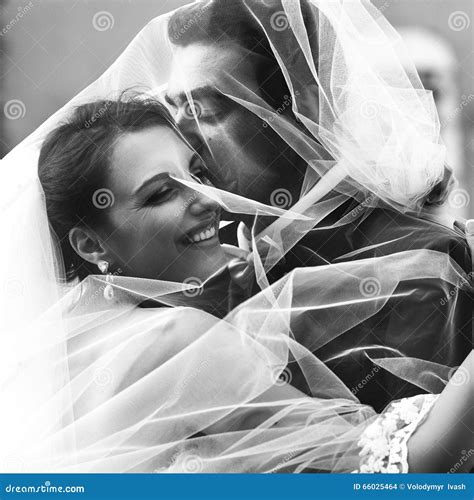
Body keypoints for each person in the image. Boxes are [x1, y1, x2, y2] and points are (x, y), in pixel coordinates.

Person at [9, 94, 467, 473]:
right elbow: (408, 469)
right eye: (162, 193)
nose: (208, 199)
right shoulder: (177, 342)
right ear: (90, 244)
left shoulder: (40, 353)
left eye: (198, 173)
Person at [164, 0, 472, 410]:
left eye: (205, 110)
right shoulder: (197, 264)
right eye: (174, 110)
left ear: (304, 109)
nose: (178, 139)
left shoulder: (420, 268)